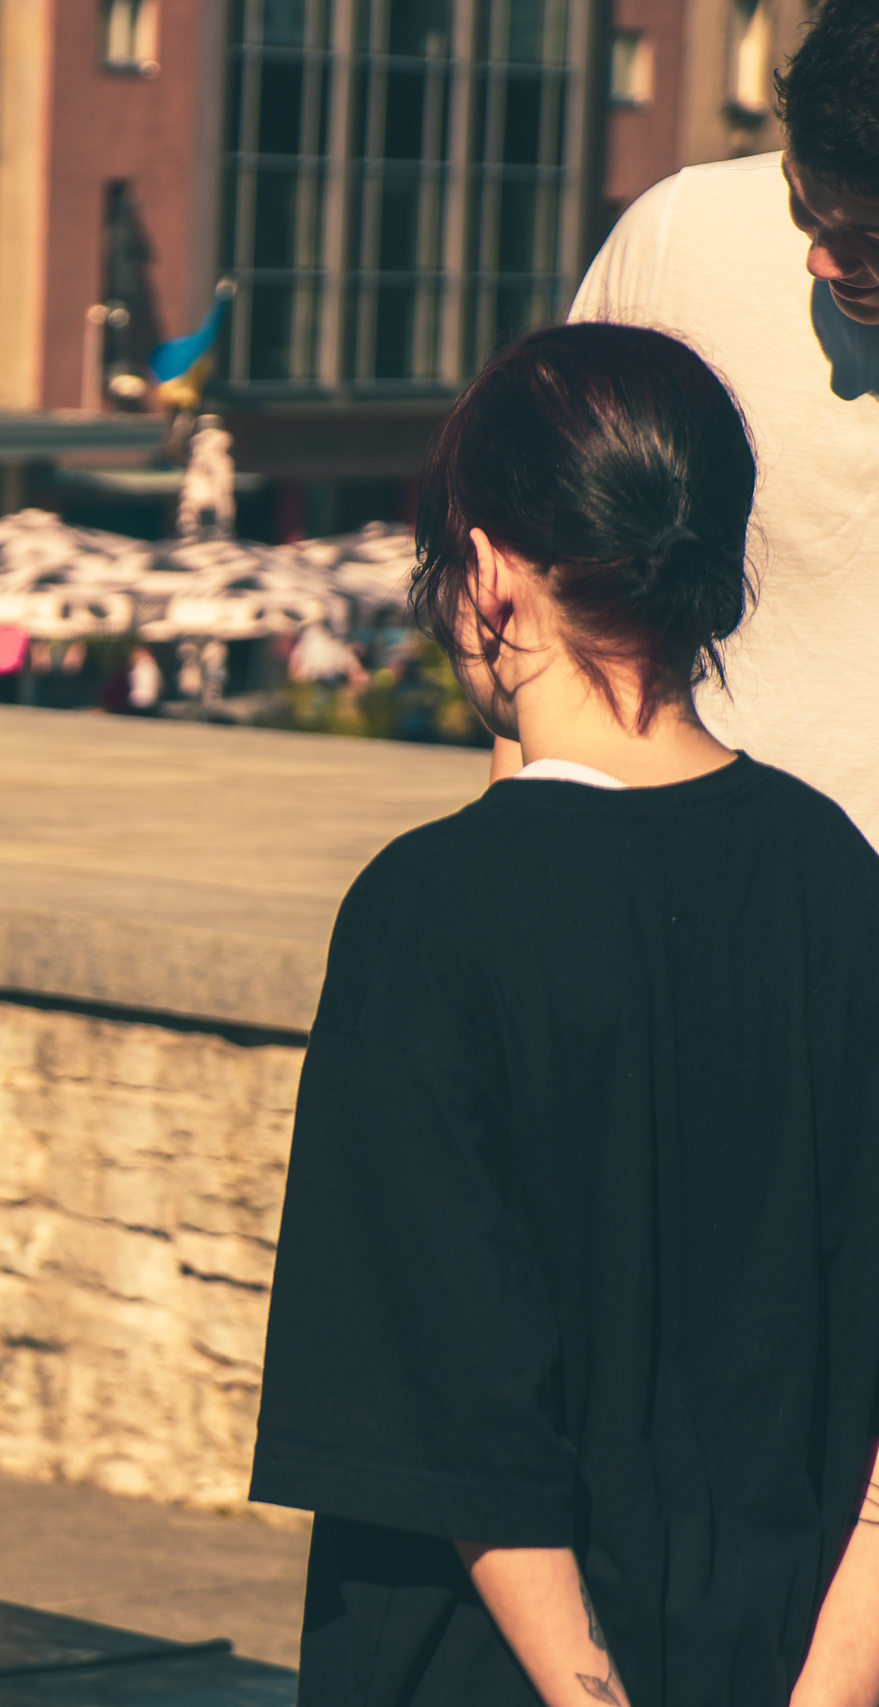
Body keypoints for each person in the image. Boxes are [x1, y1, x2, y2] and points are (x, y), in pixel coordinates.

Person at [251, 322, 879, 1706]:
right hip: (790, 1647)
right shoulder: (836, 876)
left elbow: (441, 1392)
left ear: (486, 576)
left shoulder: (430, 912)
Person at [517, 0, 879, 839]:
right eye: (802, 205)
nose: (820, 259)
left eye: (868, 235)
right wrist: (522, 826)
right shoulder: (678, 237)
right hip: (671, 850)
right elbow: (545, 561)